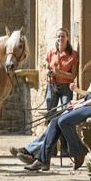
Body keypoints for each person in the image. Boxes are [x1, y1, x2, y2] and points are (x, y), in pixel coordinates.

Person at [24, 38, 91, 171]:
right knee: (54, 121)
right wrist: (78, 102)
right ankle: (42, 160)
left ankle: (79, 150)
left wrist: (82, 104)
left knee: (64, 121)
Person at [11, 48, 91, 164]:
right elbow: (89, 95)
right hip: (82, 102)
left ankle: (34, 153)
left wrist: (80, 103)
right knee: (54, 121)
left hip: (90, 105)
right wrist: (77, 95)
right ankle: (39, 157)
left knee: (60, 121)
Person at [10, 28, 78, 161]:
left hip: (65, 88)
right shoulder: (51, 52)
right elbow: (48, 68)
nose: (60, 39)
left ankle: (62, 148)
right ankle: (52, 149)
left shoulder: (73, 55)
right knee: (51, 117)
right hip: (52, 86)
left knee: (64, 116)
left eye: (63, 36)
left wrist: (59, 73)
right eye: (58, 36)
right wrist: (51, 74)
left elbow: (73, 75)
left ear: (67, 38)